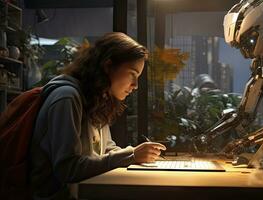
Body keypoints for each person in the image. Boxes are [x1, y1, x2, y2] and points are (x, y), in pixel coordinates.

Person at [29, 32, 166, 200]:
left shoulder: (96, 99)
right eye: (132, 74)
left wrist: (139, 156)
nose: (135, 85)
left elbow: (107, 150)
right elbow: (68, 169)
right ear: (108, 66)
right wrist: (131, 155)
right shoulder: (67, 98)